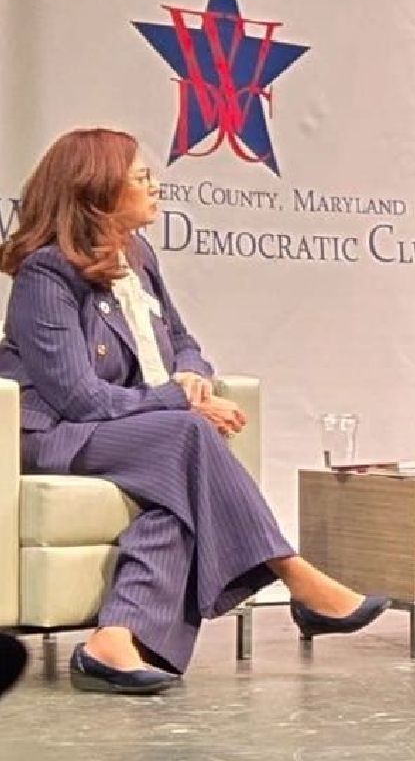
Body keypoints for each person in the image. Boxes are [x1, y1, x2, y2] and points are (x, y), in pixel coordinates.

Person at [0, 128, 389, 694]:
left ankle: (114, 640)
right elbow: (78, 399)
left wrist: (196, 382)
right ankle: (291, 573)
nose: (156, 186)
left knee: (178, 498)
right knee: (187, 439)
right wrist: (179, 401)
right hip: (58, 435)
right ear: (98, 190)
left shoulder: (137, 255)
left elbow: (181, 340)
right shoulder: (46, 275)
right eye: (140, 177)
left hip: (130, 427)